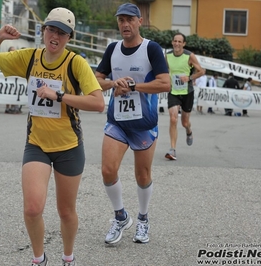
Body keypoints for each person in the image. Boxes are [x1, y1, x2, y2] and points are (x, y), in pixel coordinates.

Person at [0, 7, 104, 266]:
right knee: (32, 208)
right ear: (43, 31)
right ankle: (39, 259)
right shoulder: (30, 57)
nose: (55, 36)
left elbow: (97, 103)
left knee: (66, 211)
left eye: (62, 32)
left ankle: (68, 258)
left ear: (69, 37)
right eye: (51, 29)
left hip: (69, 146)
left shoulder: (75, 62)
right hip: (36, 144)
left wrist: (58, 96)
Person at [95, 3, 170, 245]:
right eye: (121, 20)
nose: (125, 25)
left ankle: (143, 218)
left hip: (144, 123)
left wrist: (134, 86)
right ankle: (120, 216)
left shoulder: (152, 49)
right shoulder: (113, 49)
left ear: (140, 21)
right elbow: (97, 79)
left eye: (129, 20)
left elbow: (165, 84)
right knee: (107, 170)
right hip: (118, 120)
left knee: (142, 175)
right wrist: (113, 84)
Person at [165, 33, 205, 160]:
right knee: (173, 118)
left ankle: (189, 131)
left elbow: (201, 71)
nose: (177, 43)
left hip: (187, 92)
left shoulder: (189, 56)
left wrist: (189, 78)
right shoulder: (168, 55)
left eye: (179, 42)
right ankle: (172, 150)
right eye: (175, 41)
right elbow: (165, 71)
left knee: (185, 122)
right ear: (172, 42)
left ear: (184, 44)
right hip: (173, 92)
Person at [4, 46, 22, 114]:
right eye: (12, 51)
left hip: (14, 79)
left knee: (14, 91)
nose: (13, 52)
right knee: (8, 92)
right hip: (8, 78)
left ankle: (13, 106)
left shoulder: (16, 59)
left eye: (14, 51)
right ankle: (7, 107)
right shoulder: (6, 59)